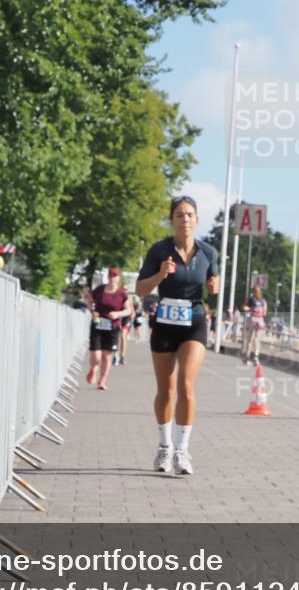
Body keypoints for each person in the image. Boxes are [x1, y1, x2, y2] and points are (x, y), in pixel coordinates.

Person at [135, 196, 220, 476]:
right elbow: (140, 290)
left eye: (190, 214)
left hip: (194, 321)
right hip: (165, 323)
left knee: (186, 383)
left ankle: (183, 451)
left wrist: (214, 285)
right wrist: (160, 276)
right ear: (171, 220)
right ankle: (164, 446)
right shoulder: (159, 250)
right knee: (166, 390)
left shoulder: (209, 252)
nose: (185, 220)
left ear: (197, 220)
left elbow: (214, 285)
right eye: (180, 215)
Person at [86, 268, 133, 390]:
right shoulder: (100, 289)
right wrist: (92, 310)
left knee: (107, 356)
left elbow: (128, 310)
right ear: (108, 277)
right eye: (111, 275)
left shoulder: (122, 293)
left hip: (113, 326)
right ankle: (93, 369)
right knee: (96, 356)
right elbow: (90, 299)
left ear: (118, 278)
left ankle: (102, 379)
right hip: (98, 324)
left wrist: (118, 314)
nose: (113, 278)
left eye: (115, 276)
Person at [242, 286, 268, 365]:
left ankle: (255, 356)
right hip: (253, 319)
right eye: (255, 291)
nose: (256, 292)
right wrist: (250, 309)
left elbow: (265, 312)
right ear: (253, 292)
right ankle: (247, 356)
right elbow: (243, 307)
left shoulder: (263, 301)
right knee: (250, 338)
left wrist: (262, 312)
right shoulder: (250, 299)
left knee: (256, 339)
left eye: (257, 291)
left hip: (259, 320)